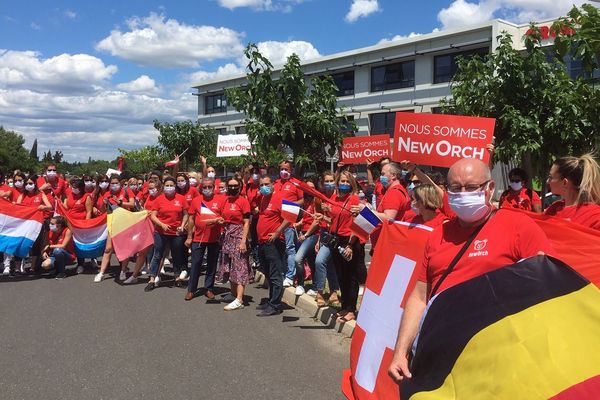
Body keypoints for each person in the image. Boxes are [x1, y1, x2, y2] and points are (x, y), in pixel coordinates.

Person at [388, 158, 553, 385]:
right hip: (439, 358)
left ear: (490, 188)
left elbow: (548, 289)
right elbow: (419, 297)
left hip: (495, 363)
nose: (463, 193)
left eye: (471, 187)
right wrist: (400, 352)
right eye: (455, 188)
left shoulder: (518, 226)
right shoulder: (438, 235)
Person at [328, 170, 366, 323]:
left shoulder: (354, 199)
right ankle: (344, 306)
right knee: (341, 275)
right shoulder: (334, 197)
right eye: (341, 181)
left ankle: (351, 309)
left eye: (347, 182)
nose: (344, 184)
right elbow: (334, 219)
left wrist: (350, 245)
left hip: (350, 241)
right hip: (336, 239)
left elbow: (358, 224)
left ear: (352, 184)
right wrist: (325, 215)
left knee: (351, 277)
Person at [145, 177, 189, 291]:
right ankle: (152, 279)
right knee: (157, 255)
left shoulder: (181, 199)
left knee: (176, 255)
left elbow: (185, 214)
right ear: (163, 186)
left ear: (175, 186)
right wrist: (162, 224)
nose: (169, 187)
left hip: (176, 232)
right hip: (161, 232)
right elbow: (153, 216)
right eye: (167, 185)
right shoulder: (159, 199)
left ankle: (177, 278)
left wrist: (183, 224)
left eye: (171, 185)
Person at [255, 175, 290, 316]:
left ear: (273, 184)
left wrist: (277, 232)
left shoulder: (279, 198)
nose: (264, 186)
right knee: (268, 273)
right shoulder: (264, 198)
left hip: (274, 242)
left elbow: (289, 218)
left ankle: (275, 305)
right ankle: (271, 300)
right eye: (262, 184)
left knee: (275, 273)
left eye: (267, 184)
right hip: (263, 242)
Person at [184, 177, 224, 300]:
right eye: (205, 187)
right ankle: (191, 290)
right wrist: (189, 237)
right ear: (201, 188)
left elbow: (224, 217)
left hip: (214, 238)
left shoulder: (221, 200)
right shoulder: (196, 200)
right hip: (198, 238)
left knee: (212, 265)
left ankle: (209, 288)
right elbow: (191, 219)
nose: (207, 189)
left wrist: (219, 222)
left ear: (214, 187)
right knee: (196, 264)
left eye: (209, 187)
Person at [216, 178, 251, 311]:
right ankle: (233, 293)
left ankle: (240, 299)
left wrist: (243, 241)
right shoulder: (225, 200)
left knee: (239, 266)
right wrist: (221, 221)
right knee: (229, 265)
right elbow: (225, 217)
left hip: (238, 235)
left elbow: (246, 222)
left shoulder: (243, 201)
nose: (232, 188)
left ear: (240, 186)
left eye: (235, 185)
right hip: (227, 235)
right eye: (230, 186)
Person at [93, 175, 134, 283]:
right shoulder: (107, 193)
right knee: (108, 249)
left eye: (116, 183)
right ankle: (101, 273)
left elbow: (132, 204)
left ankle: (123, 271)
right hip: (113, 223)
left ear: (120, 183)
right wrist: (104, 203)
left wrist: (120, 202)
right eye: (112, 183)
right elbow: (102, 210)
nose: (114, 185)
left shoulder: (127, 191)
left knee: (125, 249)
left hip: (125, 223)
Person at [545, 153, 600, 230]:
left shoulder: (595, 216)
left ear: (565, 183)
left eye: (550, 177)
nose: (548, 181)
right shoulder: (554, 208)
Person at [273, 160, 304, 288]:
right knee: (278, 249)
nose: (283, 171)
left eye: (286, 169)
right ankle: (280, 272)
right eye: (281, 169)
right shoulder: (275, 184)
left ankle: (290, 276)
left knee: (290, 249)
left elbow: (302, 200)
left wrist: (291, 205)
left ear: (291, 170)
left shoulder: (296, 184)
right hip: (275, 222)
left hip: (289, 221)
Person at [313, 171, 341, 308]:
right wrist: (319, 239)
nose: (329, 184)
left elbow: (339, 221)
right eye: (327, 181)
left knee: (321, 261)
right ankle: (328, 292)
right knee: (326, 262)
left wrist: (328, 212)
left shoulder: (339, 198)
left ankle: (324, 291)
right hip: (324, 234)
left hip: (336, 234)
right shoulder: (319, 198)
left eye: (332, 181)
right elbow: (320, 221)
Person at [17, 175, 53, 273]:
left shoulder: (40, 194)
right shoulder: (22, 195)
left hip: (37, 223)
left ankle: (33, 267)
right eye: (27, 184)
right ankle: (19, 267)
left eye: (31, 183)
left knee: (36, 244)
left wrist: (43, 207)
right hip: (24, 224)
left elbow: (50, 206)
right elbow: (16, 207)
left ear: (35, 184)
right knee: (22, 244)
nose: (29, 185)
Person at [293, 180, 321, 296]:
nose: (310, 190)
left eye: (312, 187)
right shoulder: (306, 201)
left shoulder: (316, 200)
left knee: (298, 258)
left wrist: (306, 235)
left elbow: (316, 221)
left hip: (312, 235)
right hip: (306, 233)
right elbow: (307, 218)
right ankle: (315, 286)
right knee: (311, 261)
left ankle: (300, 284)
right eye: (307, 188)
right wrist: (299, 223)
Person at [63, 177, 93, 274]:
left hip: (81, 224)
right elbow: (67, 207)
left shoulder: (86, 196)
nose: (73, 189)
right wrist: (60, 203)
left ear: (81, 188)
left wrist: (86, 223)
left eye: (76, 187)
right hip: (70, 223)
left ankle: (81, 264)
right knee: (72, 243)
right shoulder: (70, 194)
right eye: (73, 187)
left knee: (80, 243)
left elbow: (89, 211)